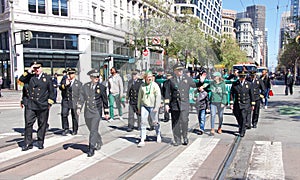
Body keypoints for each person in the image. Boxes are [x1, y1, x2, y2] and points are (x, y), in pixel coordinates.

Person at [18, 61, 55, 151]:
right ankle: (28, 143)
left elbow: (51, 91)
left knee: (42, 124)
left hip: (42, 105)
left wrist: (49, 103)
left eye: (38, 68)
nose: (36, 70)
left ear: (41, 68)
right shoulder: (29, 77)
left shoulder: (47, 78)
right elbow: (21, 80)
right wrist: (29, 70)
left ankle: (40, 141)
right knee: (28, 123)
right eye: (35, 68)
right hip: (31, 104)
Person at [77, 69, 109, 157]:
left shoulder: (101, 88)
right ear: (91, 77)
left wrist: (106, 112)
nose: (97, 78)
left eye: (98, 77)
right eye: (95, 77)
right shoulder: (85, 87)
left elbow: (105, 100)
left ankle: (91, 148)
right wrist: (79, 107)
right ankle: (98, 140)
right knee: (91, 128)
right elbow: (82, 98)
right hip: (88, 111)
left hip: (96, 112)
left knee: (93, 130)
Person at [164, 63, 196, 146]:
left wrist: (201, 81)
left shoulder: (187, 79)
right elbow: (167, 93)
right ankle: (177, 139)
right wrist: (167, 104)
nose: (180, 71)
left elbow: (194, 85)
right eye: (178, 70)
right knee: (175, 122)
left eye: (181, 70)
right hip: (174, 104)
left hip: (184, 103)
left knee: (185, 121)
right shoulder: (171, 80)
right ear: (175, 71)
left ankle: (185, 136)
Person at [137, 71, 161, 147]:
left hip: (153, 106)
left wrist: (156, 107)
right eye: (148, 77)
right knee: (143, 121)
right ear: (145, 78)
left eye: (150, 77)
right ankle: (142, 139)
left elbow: (158, 96)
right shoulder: (142, 86)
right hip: (144, 106)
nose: (149, 79)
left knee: (155, 121)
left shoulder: (155, 85)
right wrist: (138, 107)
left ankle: (158, 134)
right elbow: (139, 97)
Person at [230, 70, 255, 137]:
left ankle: (242, 131)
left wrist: (252, 104)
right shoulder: (235, 84)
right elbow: (231, 93)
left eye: (243, 76)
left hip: (246, 103)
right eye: (241, 76)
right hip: (237, 103)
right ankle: (241, 126)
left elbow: (252, 94)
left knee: (243, 117)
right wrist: (231, 103)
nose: (242, 78)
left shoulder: (249, 84)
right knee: (238, 116)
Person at [59, 68, 82, 136]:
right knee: (64, 114)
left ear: (74, 74)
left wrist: (79, 104)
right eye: (69, 73)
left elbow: (81, 95)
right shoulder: (64, 81)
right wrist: (66, 84)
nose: (70, 75)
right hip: (66, 100)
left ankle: (75, 129)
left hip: (74, 101)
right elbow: (60, 87)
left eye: (72, 73)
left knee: (74, 116)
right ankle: (66, 128)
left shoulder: (78, 83)